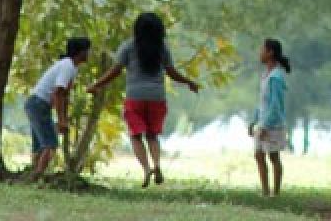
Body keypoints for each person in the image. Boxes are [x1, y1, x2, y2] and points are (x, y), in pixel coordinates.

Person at [88, 12, 200, 187]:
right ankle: (157, 164)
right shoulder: (162, 48)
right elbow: (172, 73)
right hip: (157, 98)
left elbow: (114, 72)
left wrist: (96, 85)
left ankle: (146, 169)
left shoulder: (128, 47)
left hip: (135, 98)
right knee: (152, 135)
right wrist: (189, 82)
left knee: (135, 136)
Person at [24, 36, 91, 180]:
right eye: (87, 51)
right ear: (80, 52)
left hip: (35, 103)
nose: (88, 54)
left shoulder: (70, 67)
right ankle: (37, 177)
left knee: (40, 145)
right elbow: (58, 93)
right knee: (50, 144)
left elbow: (64, 96)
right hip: (39, 103)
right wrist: (61, 120)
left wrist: (64, 119)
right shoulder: (68, 66)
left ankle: (34, 174)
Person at [248, 38, 291, 197]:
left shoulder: (276, 77)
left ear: (270, 52)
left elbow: (275, 104)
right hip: (262, 122)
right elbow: (262, 102)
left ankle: (276, 193)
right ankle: (265, 192)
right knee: (258, 155)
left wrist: (265, 125)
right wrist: (254, 121)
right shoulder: (266, 75)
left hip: (273, 124)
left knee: (273, 157)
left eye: (262, 50)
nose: (260, 53)